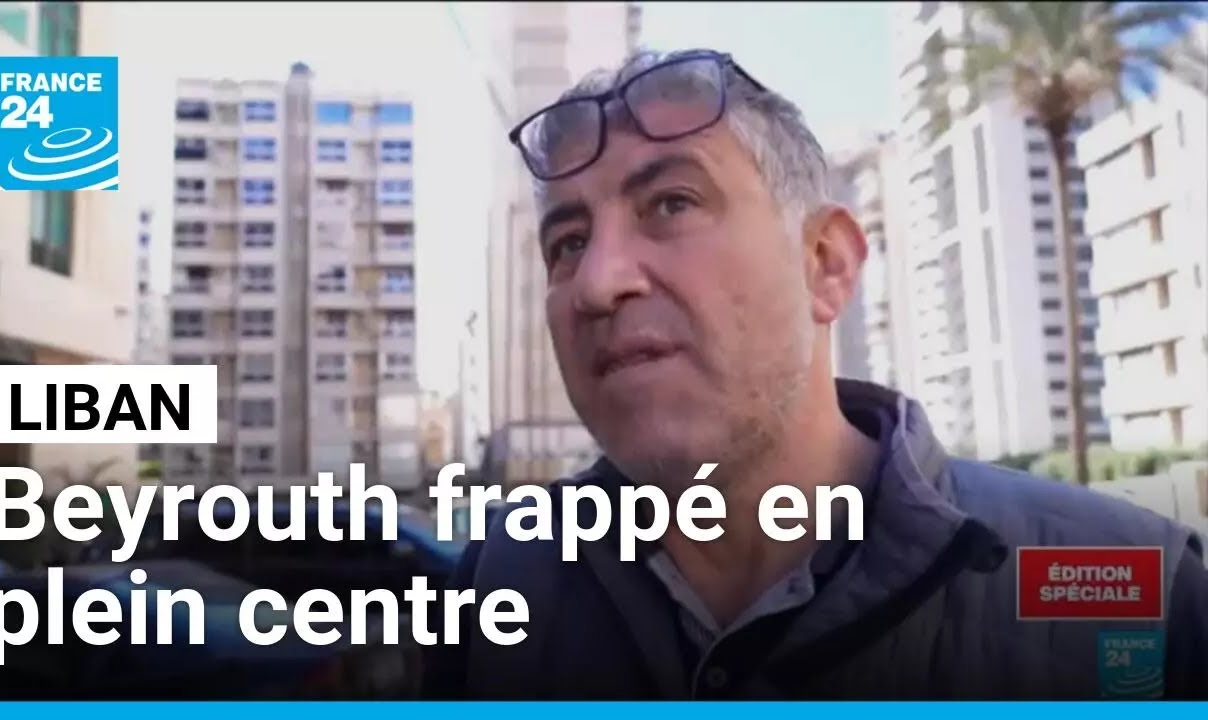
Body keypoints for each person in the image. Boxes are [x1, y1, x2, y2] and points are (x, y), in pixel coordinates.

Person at [423, 48, 1208, 700]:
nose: (597, 283)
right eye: (567, 243)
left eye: (670, 204)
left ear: (826, 265)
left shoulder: (1135, 590)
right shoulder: (501, 581)